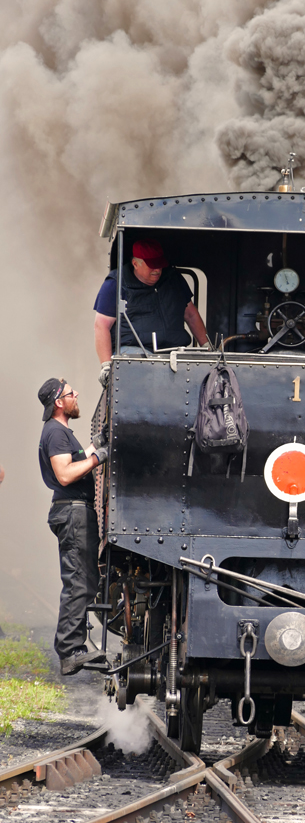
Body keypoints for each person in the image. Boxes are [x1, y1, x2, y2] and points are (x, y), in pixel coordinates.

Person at [38, 378, 108, 676]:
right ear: (58, 402)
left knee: (83, 580)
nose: (76, 394)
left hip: (74, 512)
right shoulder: (55, 432)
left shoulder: (62, 432)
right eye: (70, 393)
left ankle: (74, 647)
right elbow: (65, 474)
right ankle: (70, 651)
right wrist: (97, 457)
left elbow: (75, 459)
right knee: (78, 581)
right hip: (72, 512)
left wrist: (99, 442)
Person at [94, 239, 208, 386]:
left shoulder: (173, 279)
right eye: (152, 265)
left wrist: (206, 348)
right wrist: (106, 365)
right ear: (135, 263)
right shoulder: (115, 283)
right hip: (134, 353)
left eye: (160, 264)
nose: (157, 270)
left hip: (176, 352)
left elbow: (191, 315)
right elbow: (101, 325)